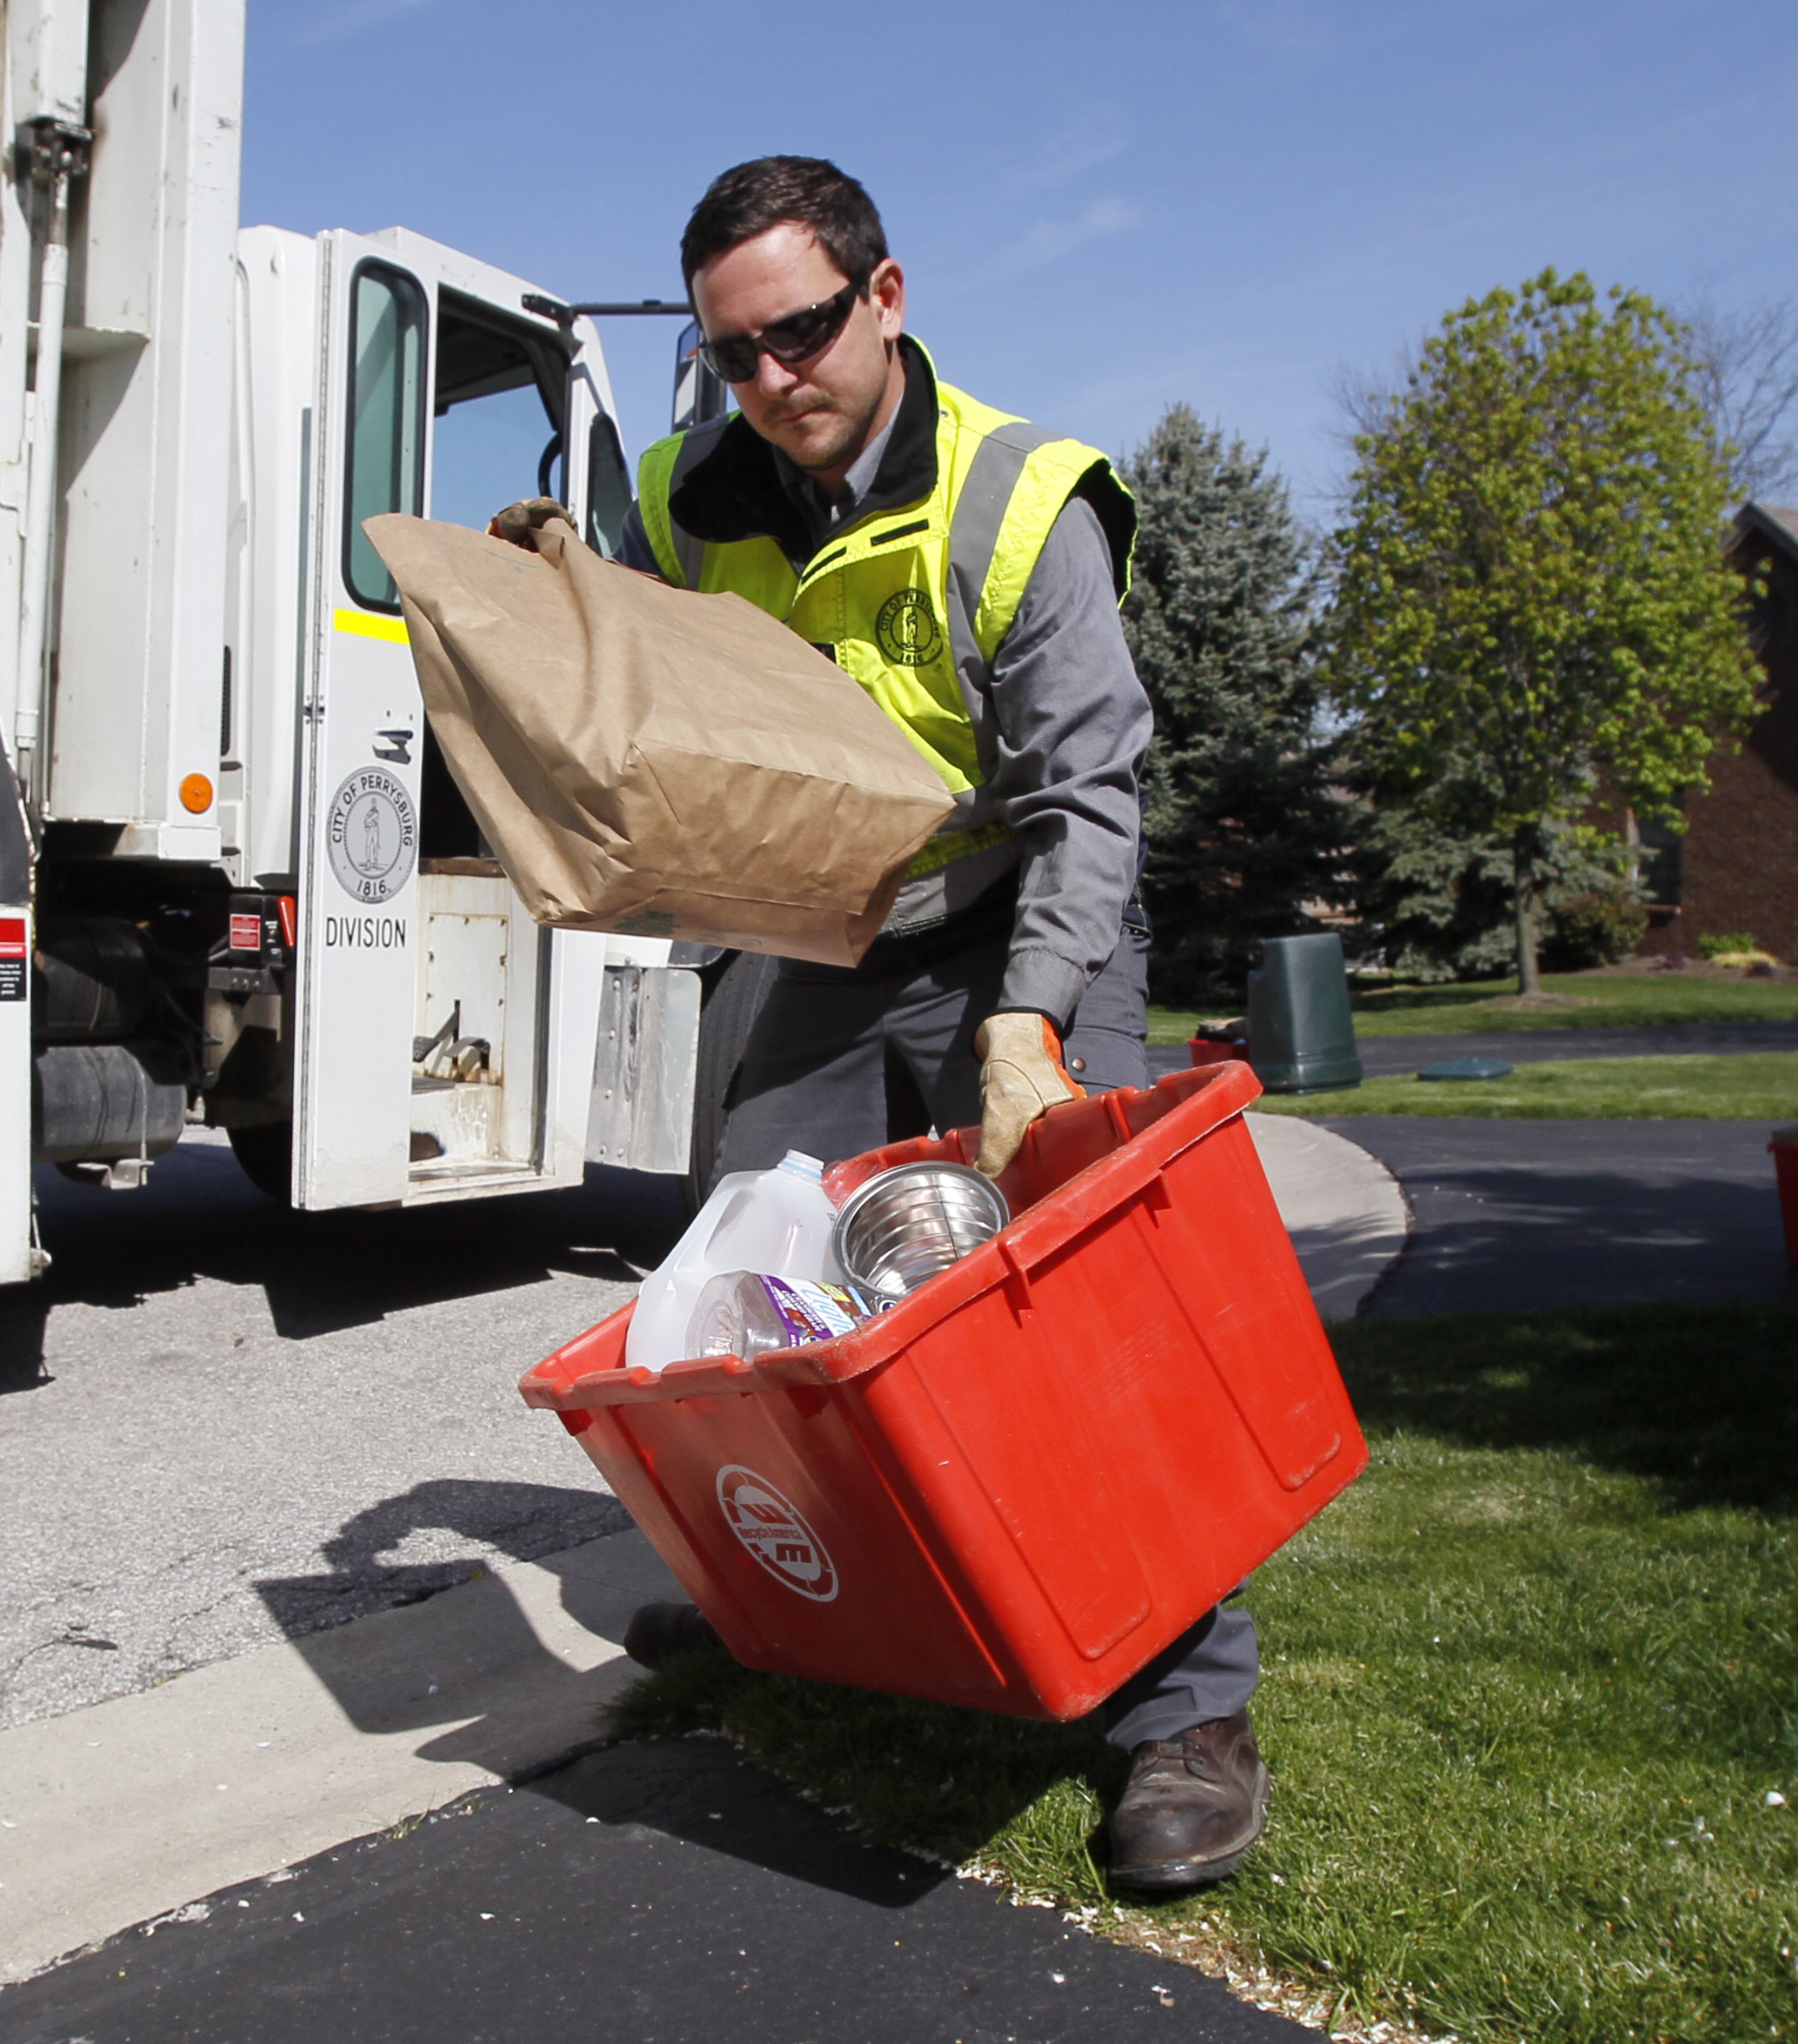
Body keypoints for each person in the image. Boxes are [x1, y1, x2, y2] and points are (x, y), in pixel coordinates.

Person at [492, 157, 1264, 1892]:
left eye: (801, 333)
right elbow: (652, 683)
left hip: (1025, 905)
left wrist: (1029, 1026)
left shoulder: (1023, 503)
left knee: (1082, 1298)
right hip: (831, 928)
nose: (772, 380)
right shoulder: (690, 492)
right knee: (743, 1282)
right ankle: (803, 1608)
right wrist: (567, 602)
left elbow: (1090, 804)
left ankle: (1186, 1713)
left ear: (886, 297)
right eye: (731, 355)